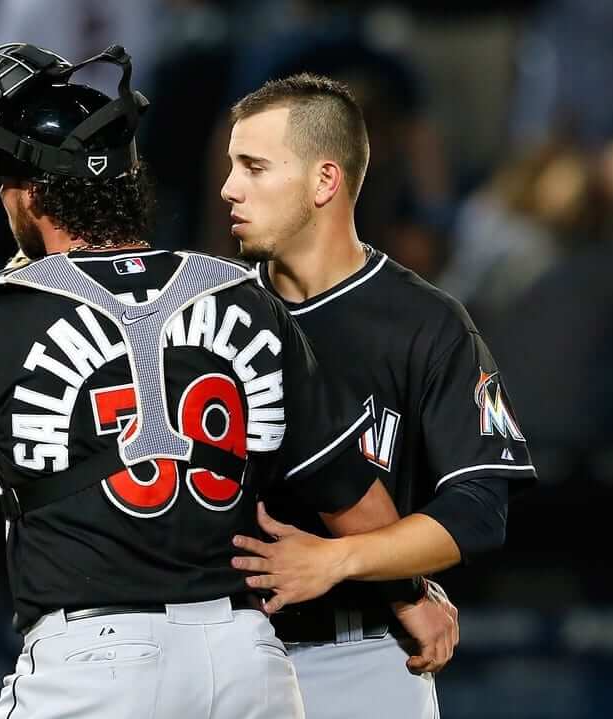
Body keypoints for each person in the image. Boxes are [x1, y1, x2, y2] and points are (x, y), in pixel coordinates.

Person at [0, 44, 401, 719]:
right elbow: (366, 517)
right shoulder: (244, 295)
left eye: (8, 182)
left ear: (35, 192)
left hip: (96, 659)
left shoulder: (0, 313)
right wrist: (412, 596)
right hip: (247, 659)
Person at [220, 73, 538, 718]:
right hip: (221, 653)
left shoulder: (425, 322)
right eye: (232, 166)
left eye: (254, 167)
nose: (229, 187)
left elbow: (478, 508)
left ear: (324, 181)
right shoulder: (210, 314)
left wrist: (340, 560)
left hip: (360, 658)